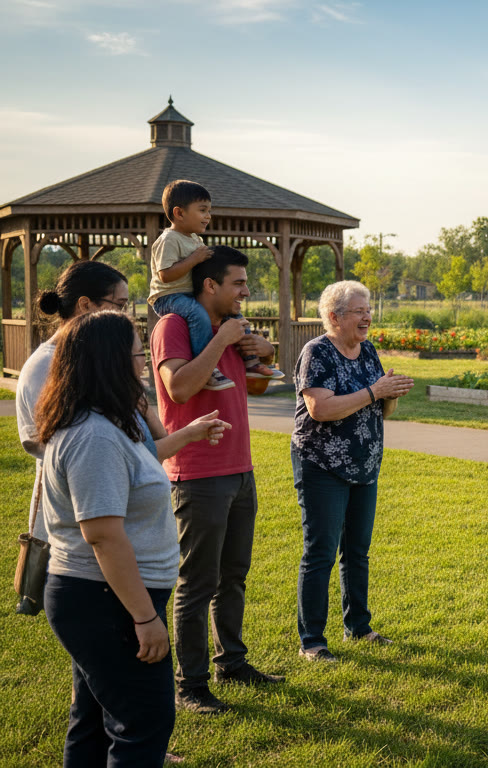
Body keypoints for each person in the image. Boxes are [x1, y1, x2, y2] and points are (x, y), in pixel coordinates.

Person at [37, 311, 225, 766]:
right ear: (110, 362)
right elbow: (102, 535)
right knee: (143, 722)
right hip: (107, 601)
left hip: (106, 597)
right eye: (139, 355)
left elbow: (136, 464)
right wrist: (144, 618)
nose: (144, 364)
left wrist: (190, 433)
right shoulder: (93, 436)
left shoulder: (104, 423)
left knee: (95, 721)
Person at [152, 245, 283, 714]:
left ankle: (232, 661)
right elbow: (180, 387)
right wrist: (223, 340)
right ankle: (190, 685)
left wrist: (264, 349)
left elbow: (258, 380)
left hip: (240, 469)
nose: (246, 293)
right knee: (197, 581)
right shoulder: (175, 326)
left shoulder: (231, 329)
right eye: (238, 284)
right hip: (198, 473)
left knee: (234, 576)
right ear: (210, 286)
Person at [292, 281, 414, 661]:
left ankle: (358, 628)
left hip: (365, 464)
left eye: (368, 310)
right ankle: (312, 641)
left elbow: (380, 410)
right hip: (322, 464)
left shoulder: (368, 351)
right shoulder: (317, 352)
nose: (367, 317)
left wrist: (388, 394)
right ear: (334, 317)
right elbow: (321, 410)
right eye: (359, 311)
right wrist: (375, 392)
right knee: (321, 552)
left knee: (357, 551)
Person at [17, 261, 130, 560]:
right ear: (85, 305)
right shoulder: (47, 364)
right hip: (70, 520)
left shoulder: (87, 358)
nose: (125, 316)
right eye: (119, 305)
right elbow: (55, 442)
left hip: (100, 507)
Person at [147, 179, 282, 391]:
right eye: (202, 210)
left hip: (187, 295)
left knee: (239, 320)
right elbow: (164, 275)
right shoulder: (169, 239)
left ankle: (252, 362)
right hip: (170, 296)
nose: (208, 216)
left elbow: (255, 391)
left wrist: (267, 353)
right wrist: (193, 260)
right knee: (197, 315)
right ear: (179, 213)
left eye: (209, 210)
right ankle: (209, 369)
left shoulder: (194, 240)